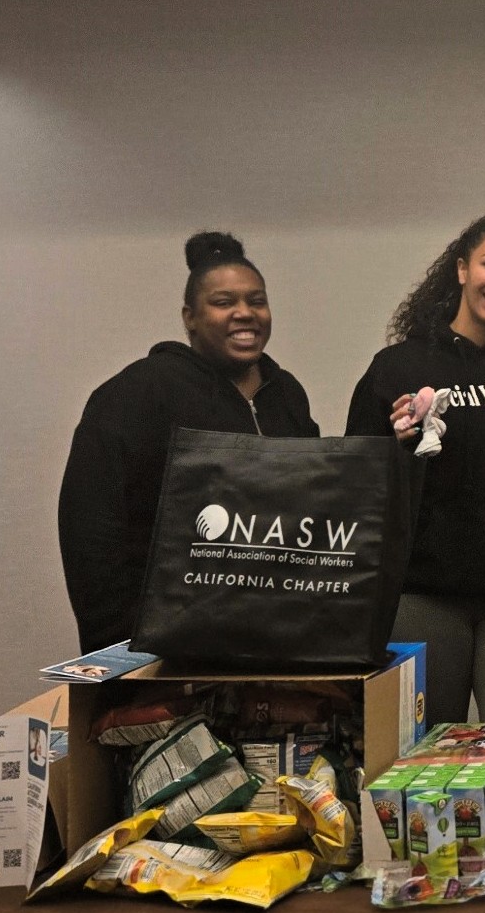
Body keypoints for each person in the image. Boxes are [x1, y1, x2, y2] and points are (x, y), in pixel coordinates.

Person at [345, 214, 485, 726]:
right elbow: (354, 486)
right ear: (460, 270)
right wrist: (396, 444)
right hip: (421, 597)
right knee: (418, 773)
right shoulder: (398, 367)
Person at [58, 232, 319, 652]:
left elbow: (315, 508)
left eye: (256, 301)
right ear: (190, 317)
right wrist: (119, 643)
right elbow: (91, 533)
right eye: (223, 303)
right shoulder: (136, 394)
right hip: (165, 646)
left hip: (276, 637)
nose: (244, 314)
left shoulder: (286, 396)